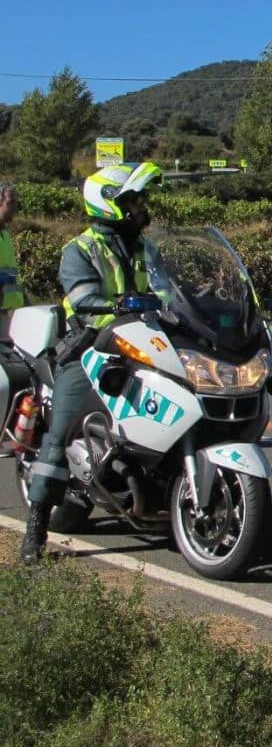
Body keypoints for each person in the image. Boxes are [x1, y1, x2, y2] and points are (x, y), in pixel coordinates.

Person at [20, 162, 160, 564]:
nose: (140, 208)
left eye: (139, 200)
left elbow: (169, 287)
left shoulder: (145, 248)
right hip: (90, 347)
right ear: (108, 203)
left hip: (142, 345)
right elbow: (83, 299)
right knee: (60, 431)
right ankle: (36, 527)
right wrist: (116, 306)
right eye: (132, 201)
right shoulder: (80, 250)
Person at [0, 183, 25, 331]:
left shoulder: (5, 234)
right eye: (11, 203)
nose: (15, 208)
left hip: (6, 310)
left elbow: (10, 272)